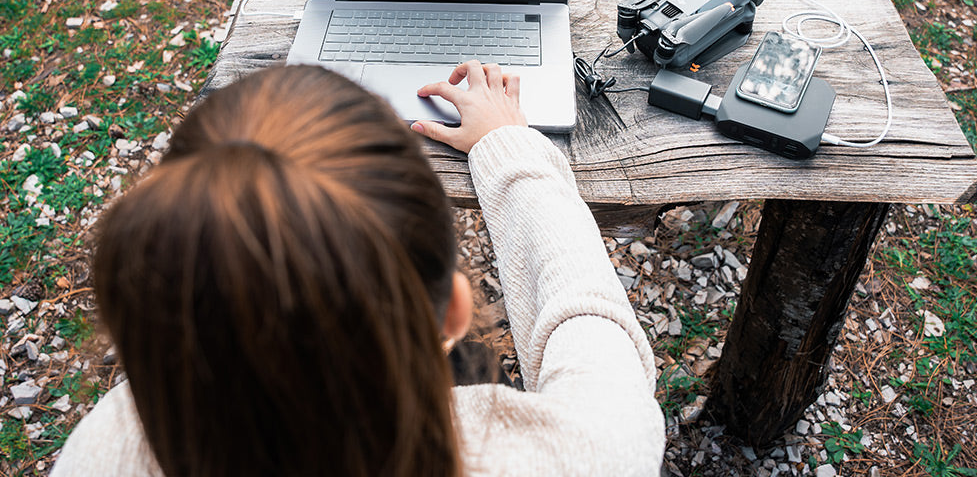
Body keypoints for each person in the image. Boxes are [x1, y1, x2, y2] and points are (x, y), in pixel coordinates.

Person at [51, 62, 664, 476]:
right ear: (454, 308)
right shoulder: (582, 456)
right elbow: (593, 330)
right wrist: (508, 145)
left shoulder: (100, 453)